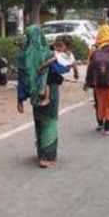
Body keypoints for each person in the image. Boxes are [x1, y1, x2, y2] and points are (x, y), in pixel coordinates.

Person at [17, 28, 69, 168]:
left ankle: (40, 152)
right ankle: (47, 157)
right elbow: (63, 69)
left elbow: (22, 80)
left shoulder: (23, 57)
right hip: (51, 92)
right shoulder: (48, 54)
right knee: (50, 122)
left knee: (39, 121)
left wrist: (20, 100)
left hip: (35, 95)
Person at [85, 25, 109, 135]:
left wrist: (88, 80)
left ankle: (100, 124)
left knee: (100, 102)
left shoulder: (94, 49)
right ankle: (108, 128)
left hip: (98, 82)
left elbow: (89, 66)